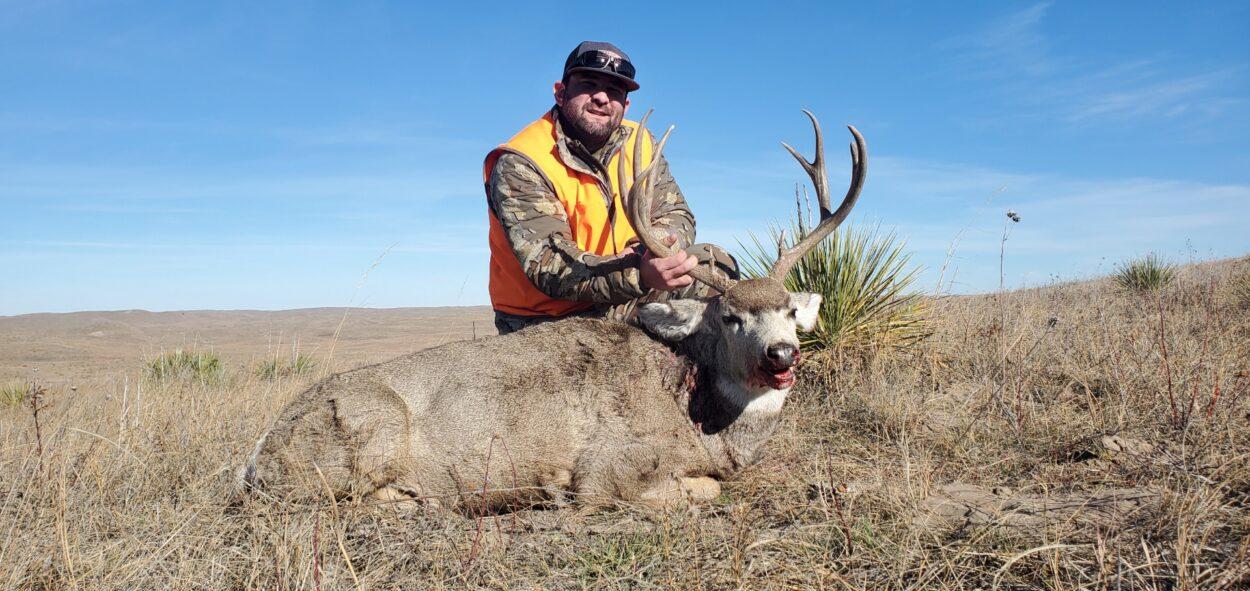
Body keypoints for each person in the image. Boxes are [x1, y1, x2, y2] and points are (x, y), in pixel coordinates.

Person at [484, 41, 738, 335]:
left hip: (621, 294)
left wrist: (655, 245)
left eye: (615, 91)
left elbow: (677, 213)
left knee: (716, 265)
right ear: (560, 92)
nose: (602, 98)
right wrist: (639, 273)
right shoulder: (523, 161)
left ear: (625, 105)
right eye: (588, 84)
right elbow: (550, 266)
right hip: (546, 318)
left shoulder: (640, 142)